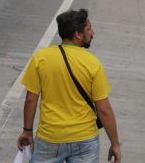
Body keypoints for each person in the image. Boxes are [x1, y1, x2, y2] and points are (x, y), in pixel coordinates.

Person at [17, 9, 121, 163]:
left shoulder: (41, 59)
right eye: (89, 29)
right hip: (85, 140)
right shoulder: (92, 63)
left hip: (50, 138)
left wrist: (27, 131)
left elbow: (31, 99)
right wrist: (115, 144)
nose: (92, 33)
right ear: (78, 34)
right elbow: (104, 109)